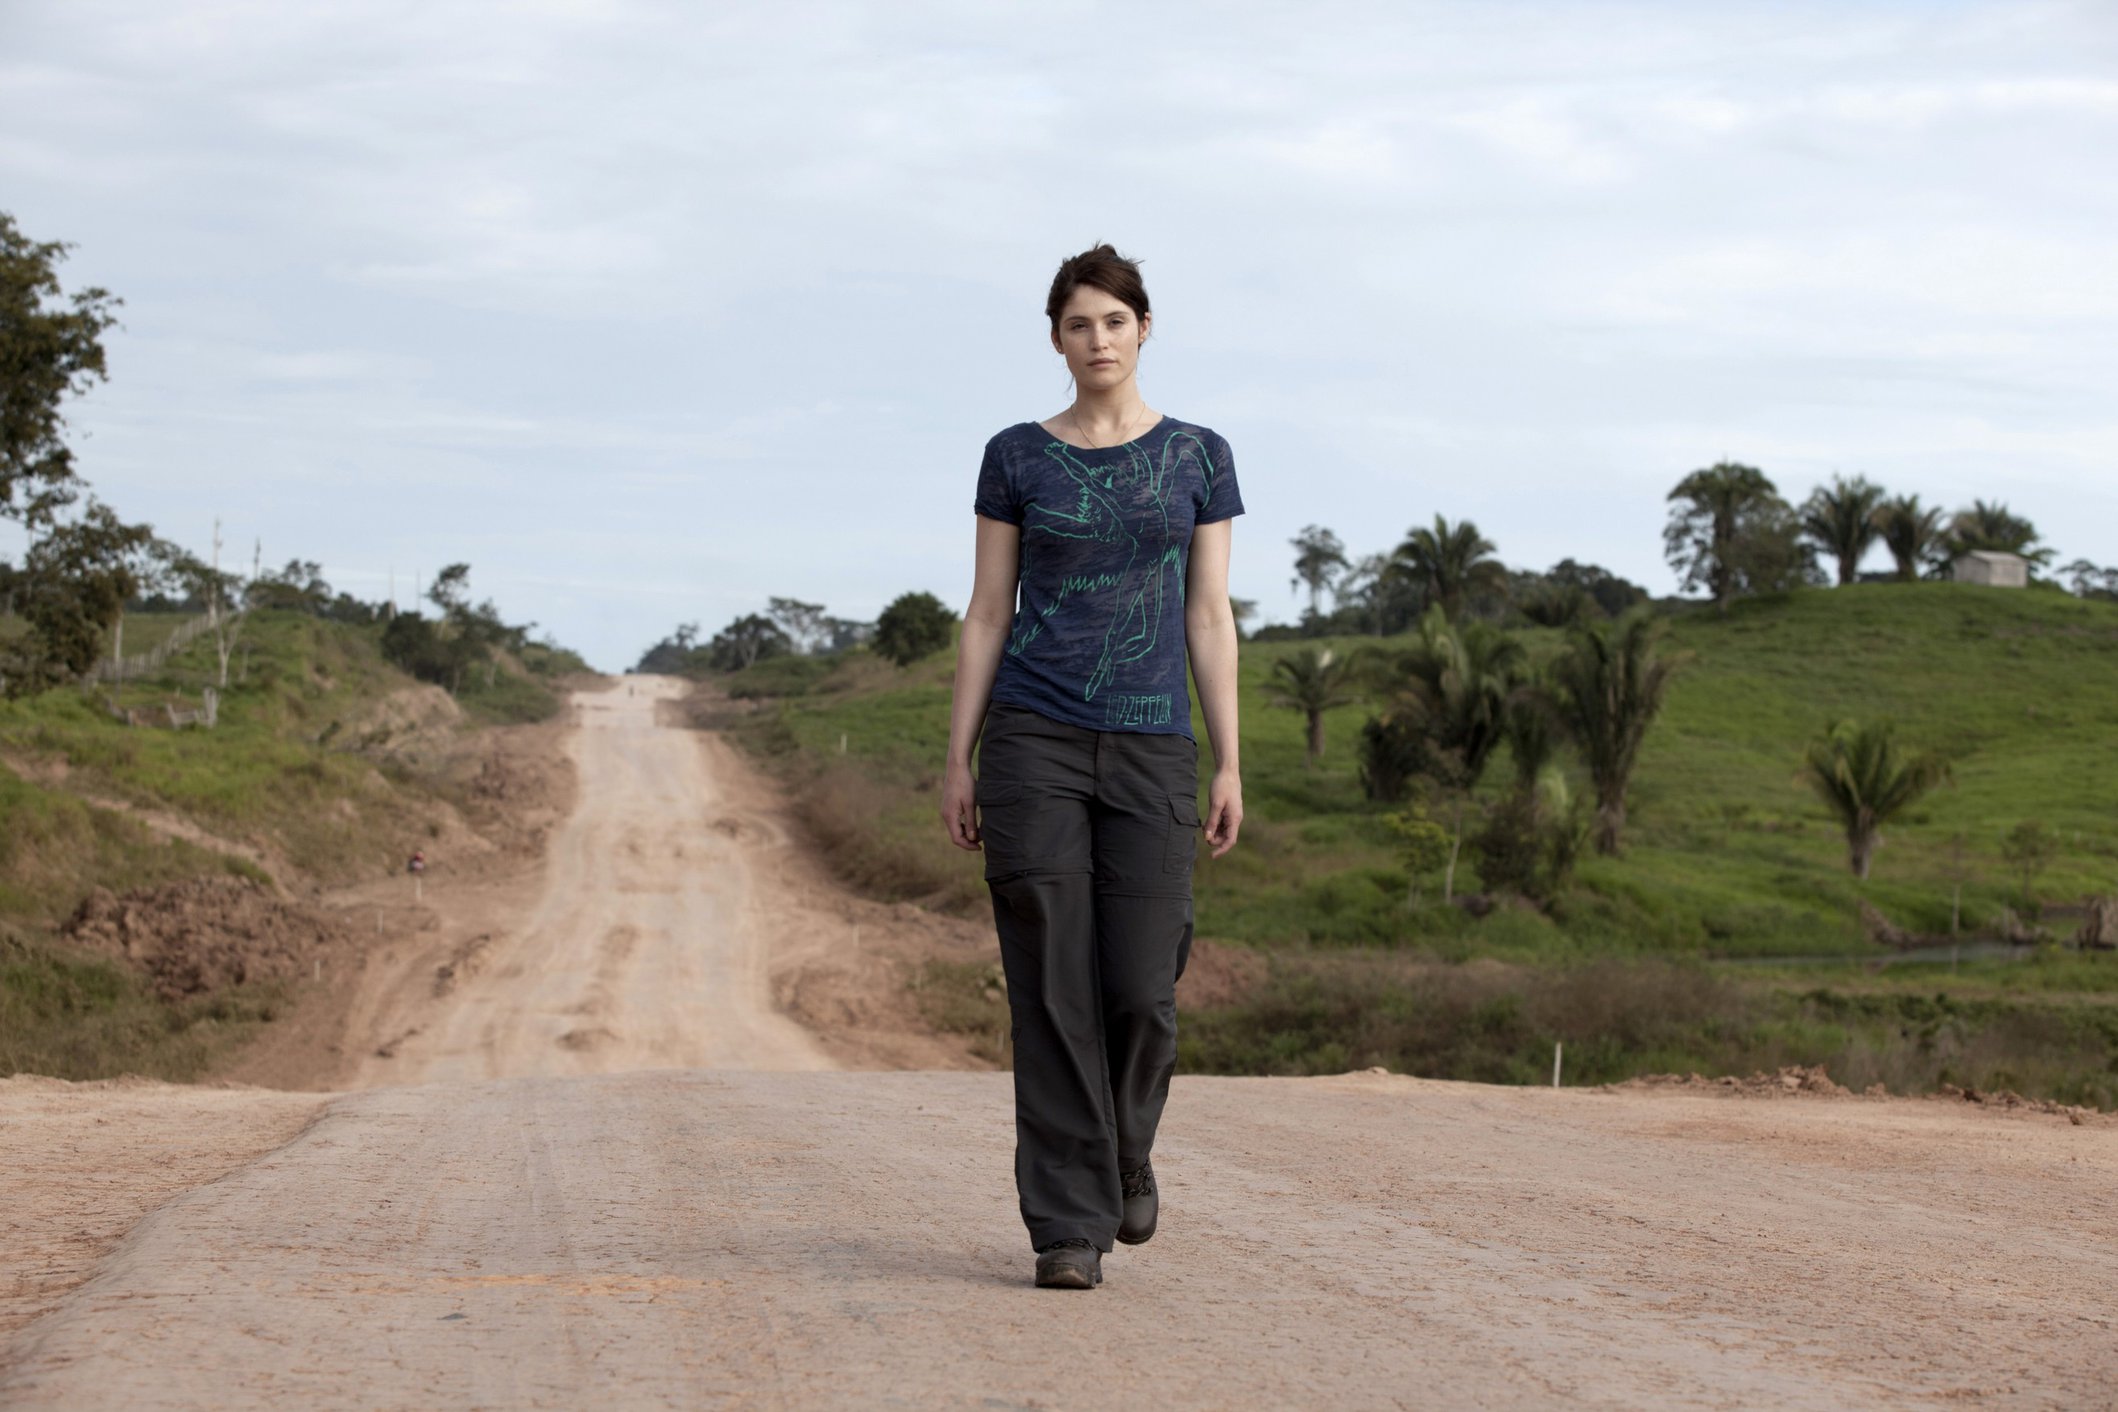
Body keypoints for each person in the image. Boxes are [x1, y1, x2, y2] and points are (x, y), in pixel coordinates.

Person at [941, 243, 1245, 1290]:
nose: (1098, 339)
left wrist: (1229, 761)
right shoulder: (1016, 455)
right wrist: (959, 756)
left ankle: (1125, 1149)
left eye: (1115, 321)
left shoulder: (1200, 455)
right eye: (1078, 323)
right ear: (1057, 339)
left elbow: (1210, 613)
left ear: (1144, 328)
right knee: (1051, 979)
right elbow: (988, 611)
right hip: (1035, 738)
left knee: (1140, 982)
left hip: (1157, 741)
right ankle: (1067, 1224)